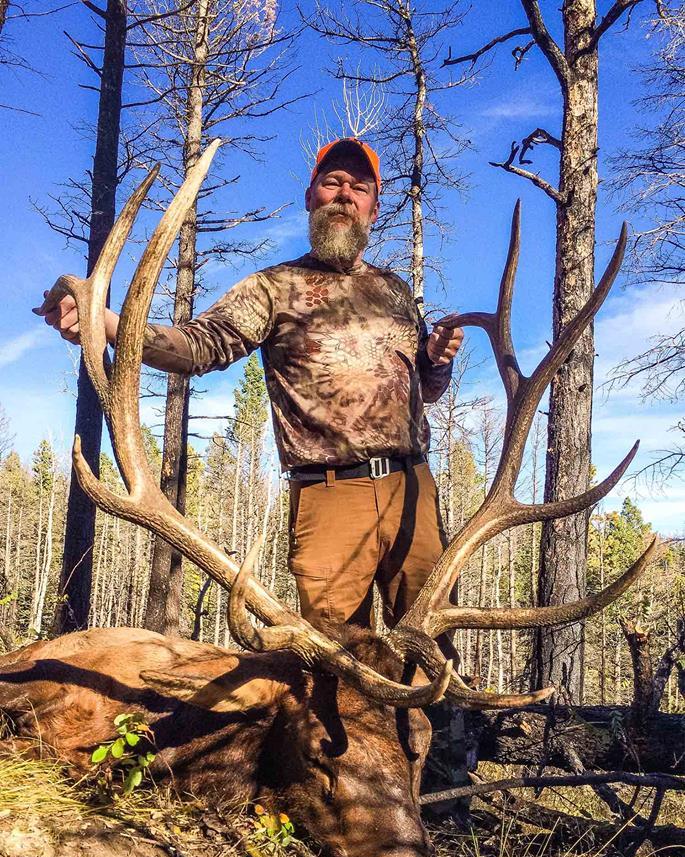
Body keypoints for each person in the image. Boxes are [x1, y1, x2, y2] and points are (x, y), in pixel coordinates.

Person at [35, 137, 463, 632]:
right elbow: (199, 346)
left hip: (411, 490)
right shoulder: (272, 287)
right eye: (333, 182)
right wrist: (106, 322)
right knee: (336, 657)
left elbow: (424, 392)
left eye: (359, 187)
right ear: (311, 198)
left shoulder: (396, 291)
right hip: (329, 497)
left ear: (373, 207)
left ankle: (442, 715)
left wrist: (435, 362)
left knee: (434, 642)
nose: (345, 194)